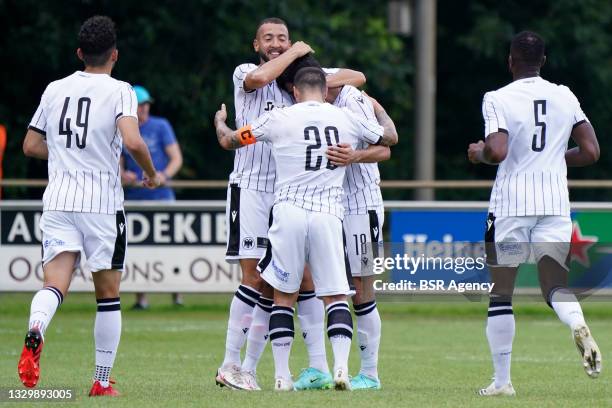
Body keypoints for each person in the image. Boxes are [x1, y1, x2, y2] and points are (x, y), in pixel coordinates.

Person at [215, 66, 397, 391]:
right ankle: (341, 368)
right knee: (337, 295)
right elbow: (389, 138)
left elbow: (232, 141)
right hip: (328, 213)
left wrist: (219, 123)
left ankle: (282, 376)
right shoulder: (346, 117)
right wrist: (379, 109)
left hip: (289, 212)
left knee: (284, 296)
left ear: (296, 92)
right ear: (325, 88)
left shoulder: (279, 118)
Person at [18, 15, 160, 397]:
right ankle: (100, 380)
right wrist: (151, 173)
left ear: (80, 53)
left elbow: (30, 145)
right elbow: (132, 142)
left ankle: (36, 328)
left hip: (59, 199)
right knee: (109, 294)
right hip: (101, 202)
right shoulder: (121, 90)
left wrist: (65, 156)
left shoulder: (54, 89)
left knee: (55, 282)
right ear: (115, 54)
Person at [467, 31, 602, 397]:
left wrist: (479, 152)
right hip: (554, 205)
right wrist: (556, 158)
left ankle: (502, 381)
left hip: (511, 206)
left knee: (502, 294)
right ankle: (577, 323)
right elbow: (590, 151)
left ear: (510, 61)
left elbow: (497, 150)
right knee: (555, 286)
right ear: (543, 61)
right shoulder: (564, 95)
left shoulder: (497, 98)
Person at [276, 54, 394, 390]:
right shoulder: (312, 106)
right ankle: (318, 368)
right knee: (310, 282)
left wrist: (354, 154)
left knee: (361, 290)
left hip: (361, 202)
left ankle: (369, 374)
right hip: (327, 206)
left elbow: (387, 145)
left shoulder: (349, 99)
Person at [120, 85, 184, 309]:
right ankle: (141, 299)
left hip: (162, 196)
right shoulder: (123, 129)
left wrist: (164, 175)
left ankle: (178, 295)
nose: (144, 108)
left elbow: (176, 158)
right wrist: (122, 174)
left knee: (172, 247)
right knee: (138, 249)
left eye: (146, 104)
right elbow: (116, 163)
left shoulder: (161, 125)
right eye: (140, 104)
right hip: (135, 197)